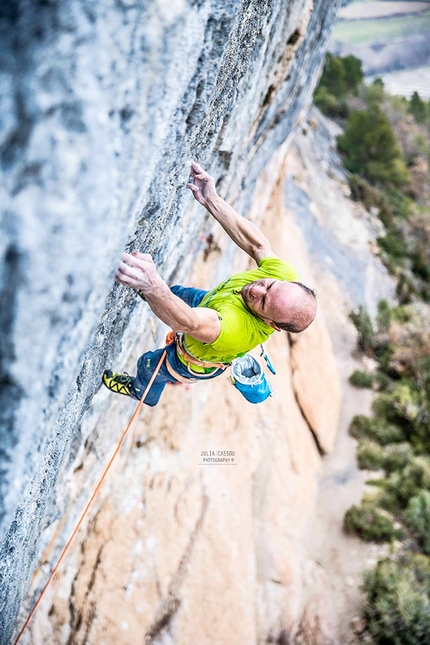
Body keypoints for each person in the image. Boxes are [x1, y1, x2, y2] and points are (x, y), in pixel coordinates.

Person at [102, 161, 317, 405]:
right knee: (178, 294)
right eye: (269, 285)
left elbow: (190, 322)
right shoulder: (283, 275)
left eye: (264, 301)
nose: (256, 288)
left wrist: (153, 286)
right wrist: (212, 199)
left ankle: (143, 392)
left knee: (149, 366)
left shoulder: (236, 330)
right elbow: (257, 245)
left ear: (271, 324)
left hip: (191, 358)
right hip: (213, 302)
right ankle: (155, 291)